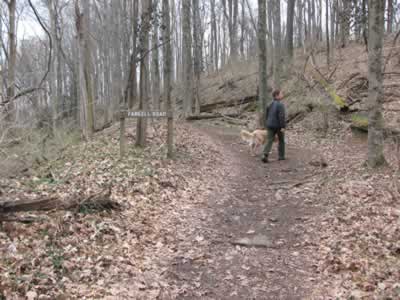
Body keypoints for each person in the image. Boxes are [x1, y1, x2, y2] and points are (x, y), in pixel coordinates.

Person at [261, 89, 286, 163]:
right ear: (277, 96)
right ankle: (281, 156)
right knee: (281, 140)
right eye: (281, 94)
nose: (282, 95)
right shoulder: (281, 105)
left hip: (269, 125)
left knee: (269, 140)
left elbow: (266, 115)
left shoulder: (270, 104)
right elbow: (281, 116)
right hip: (278, 126)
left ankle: (265, 154)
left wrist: (266, 124)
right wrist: (283, 127)